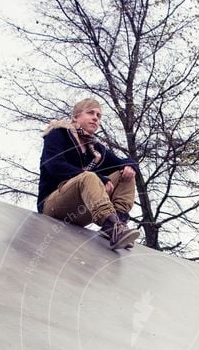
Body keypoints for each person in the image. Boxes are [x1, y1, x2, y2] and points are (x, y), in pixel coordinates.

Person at [37, 98, 140, 249]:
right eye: (90, 113)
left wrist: (130, 166)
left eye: (98, 116)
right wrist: (99, 179)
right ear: (76, 117)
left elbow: (121, 162)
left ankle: (116, 224)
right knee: (89, 177)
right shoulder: (58, 134)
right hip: (52, 204)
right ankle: (112, 225)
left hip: (80, 211)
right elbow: (54, 165)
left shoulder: (96, 149)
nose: (95, 118)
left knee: (125, 173)